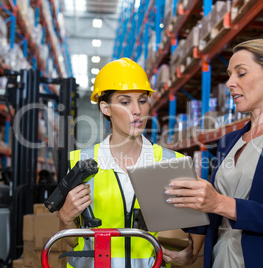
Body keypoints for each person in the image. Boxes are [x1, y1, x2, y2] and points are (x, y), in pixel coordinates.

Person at [163, 39, 263, 268]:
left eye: (240, 73)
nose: (230, 82)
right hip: (222, 259)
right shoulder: (229, 141)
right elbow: (213, 210)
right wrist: (192, 249)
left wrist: (220, 203)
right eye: (229, 75)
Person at [58, 58, 201, 268]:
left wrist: (191, 252)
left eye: (142, 101)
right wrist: (65, 218)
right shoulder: (81, 163)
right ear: (106, 108)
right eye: (125, 102)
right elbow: (72, 241)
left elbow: (188, 235)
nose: (137, 111)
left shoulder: (171, 163)